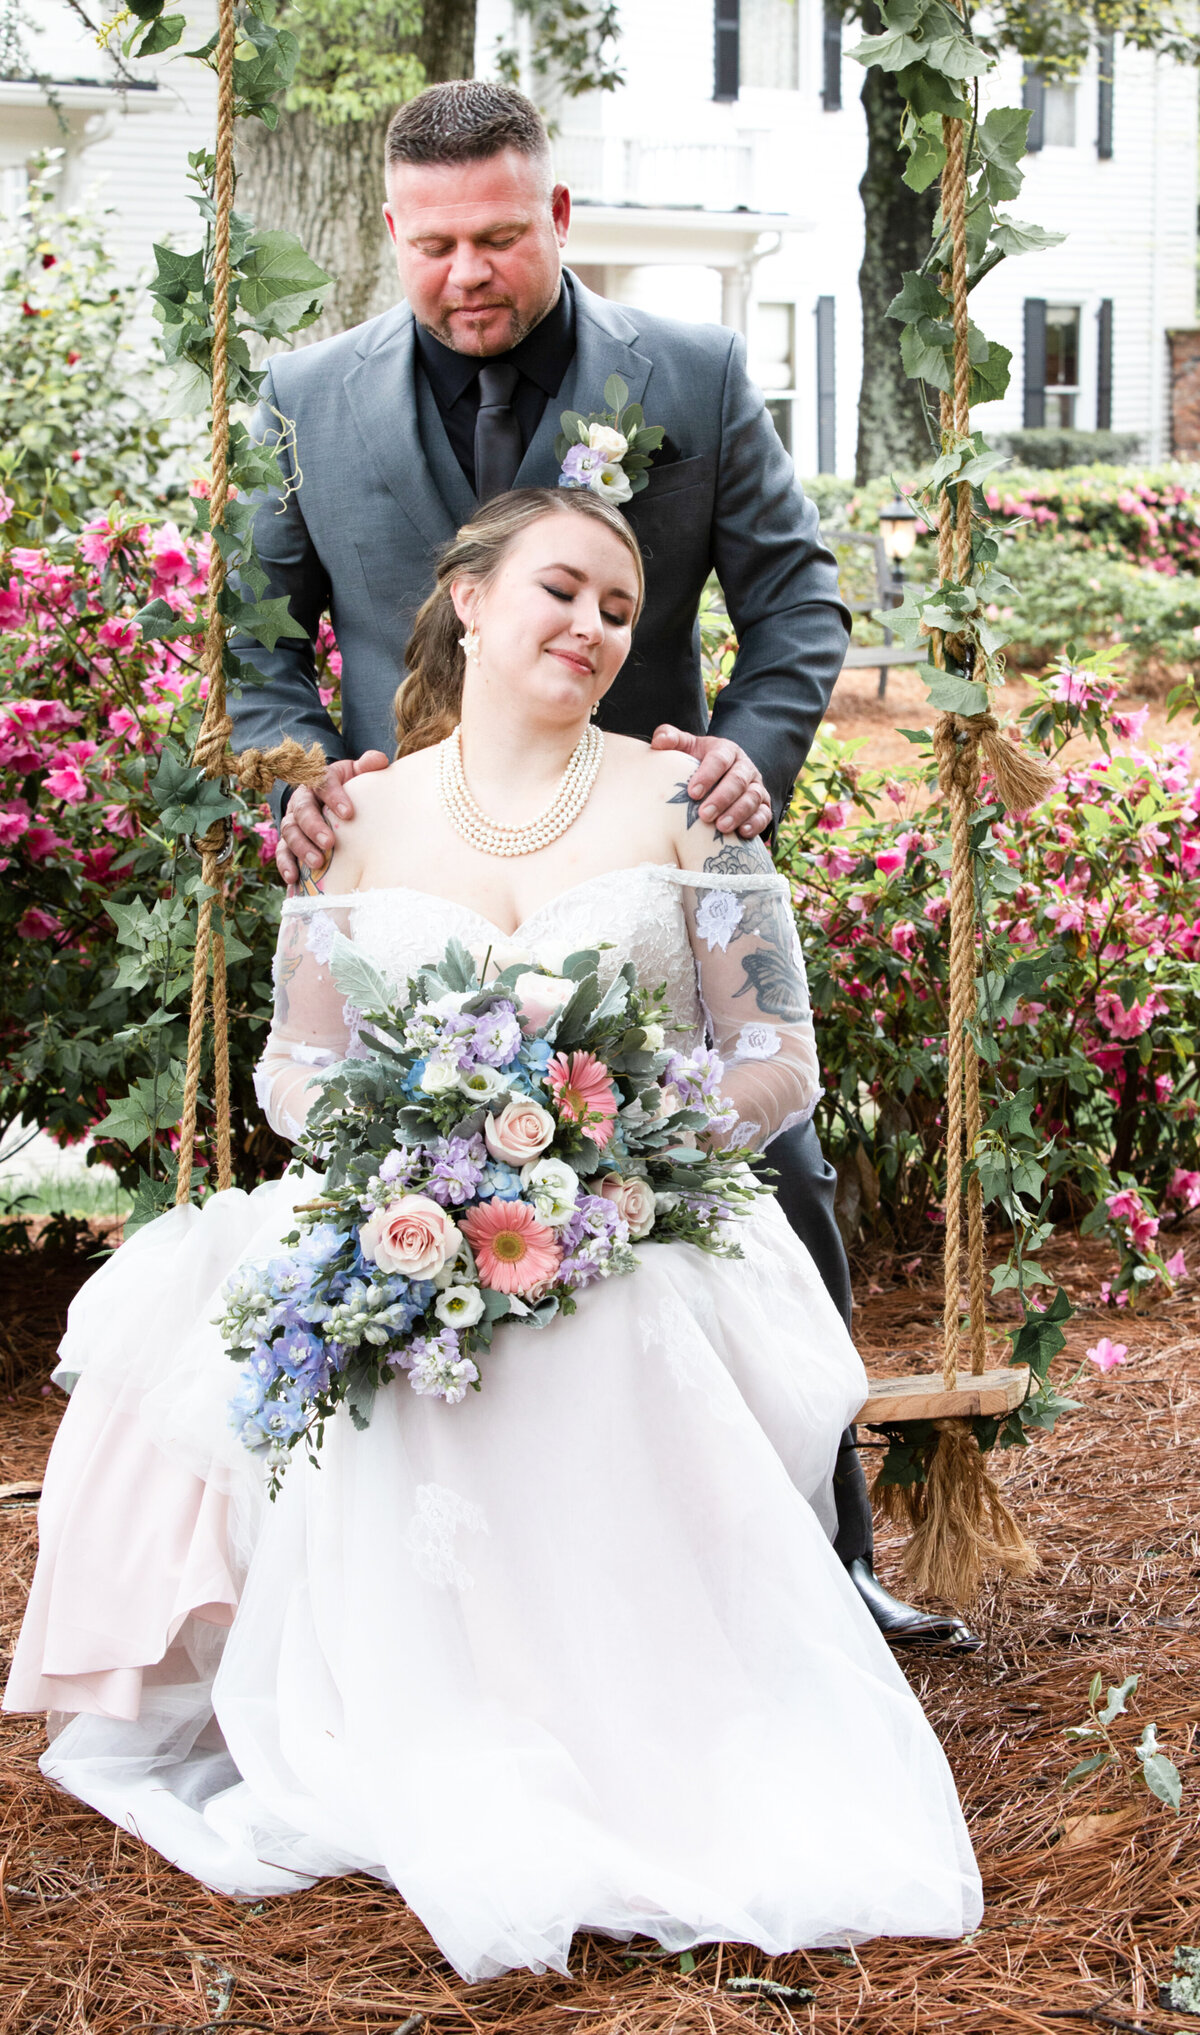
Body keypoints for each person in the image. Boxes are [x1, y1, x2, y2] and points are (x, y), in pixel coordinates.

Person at [6, 490, 981, 1972]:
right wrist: (418, 1163)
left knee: (610, 1325)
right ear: (468, 599)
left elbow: (780, 1051)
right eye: (563, 591)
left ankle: (639, 1728)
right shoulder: (354, 813)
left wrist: (622, 1154)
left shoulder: (681, 803)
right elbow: (298, 1068)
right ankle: (439, 1718)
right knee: (383, 1346)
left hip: (629, 1226)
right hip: (418, 1221)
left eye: (619, 611)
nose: (592, 629)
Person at [229, 78, 965, 1644]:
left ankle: (824, 1559)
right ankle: (447, 1594)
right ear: (390, 233)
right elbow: (252, 641)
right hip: (419, 858)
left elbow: (797, 608)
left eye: (502, 235)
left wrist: (734, 779)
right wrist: (299, 777)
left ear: (555, 216)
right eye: (435, 246)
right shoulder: (303, 393)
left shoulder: (686, 373)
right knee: (401, 1215)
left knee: (773, 1188)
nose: (469, 274)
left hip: (636, 856)